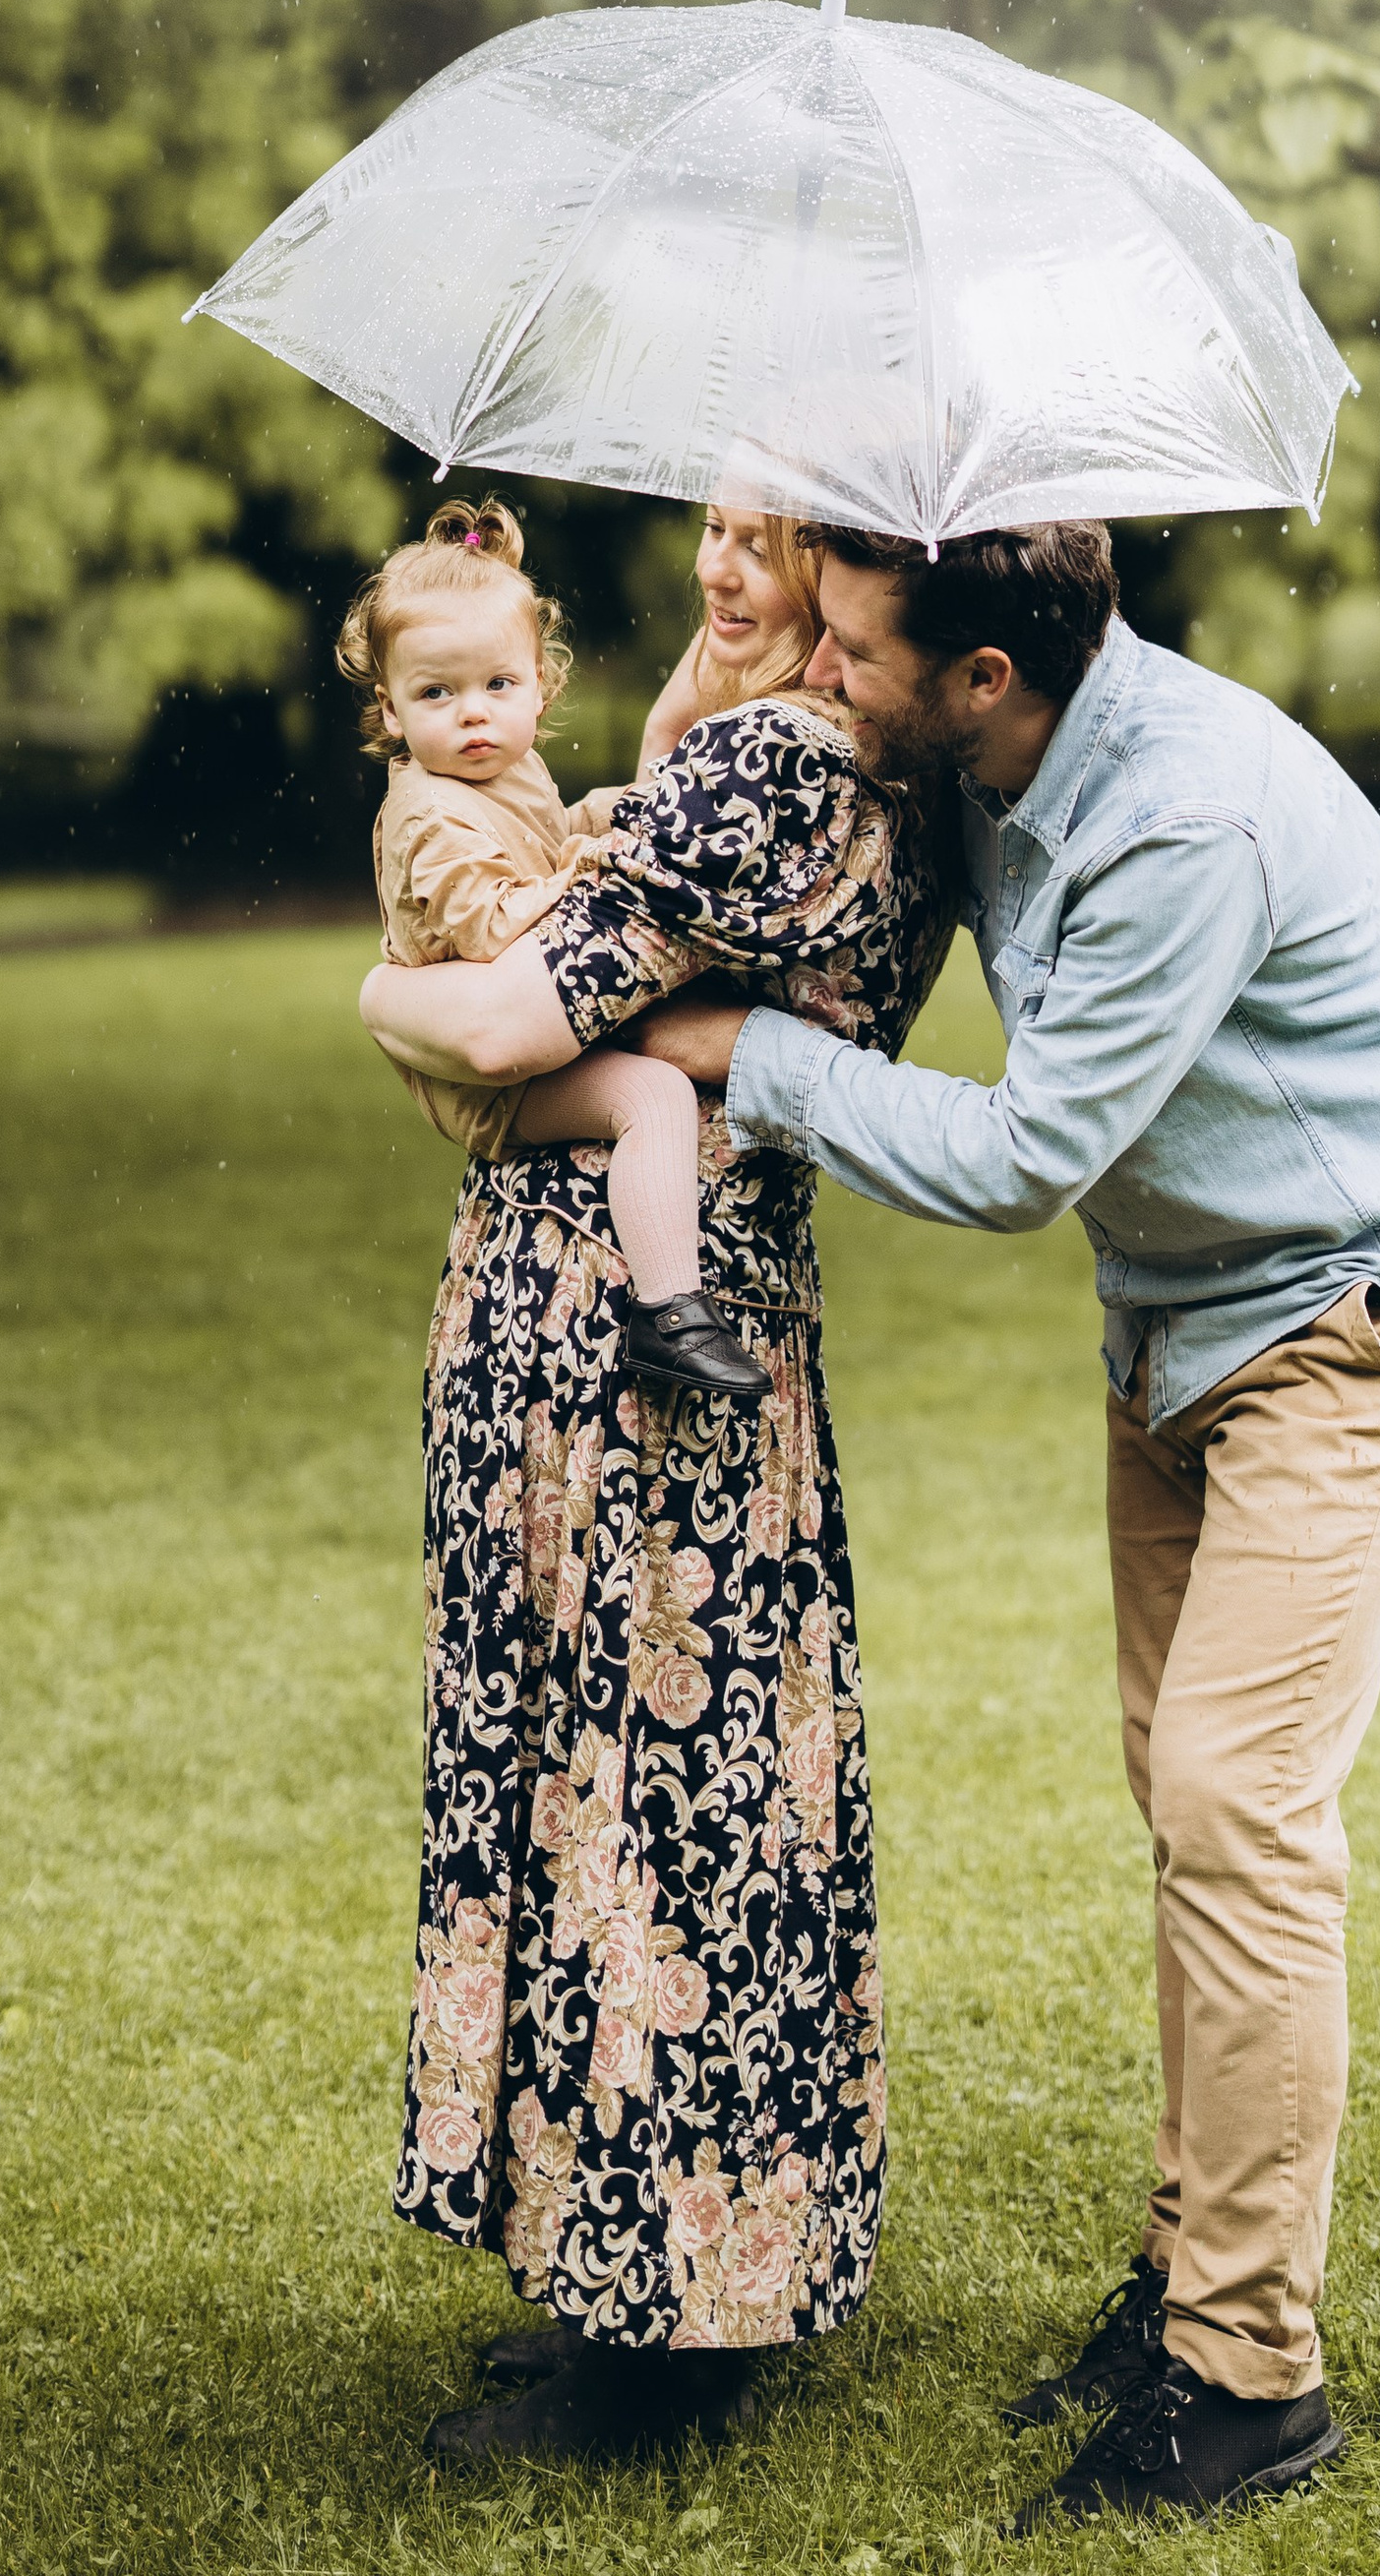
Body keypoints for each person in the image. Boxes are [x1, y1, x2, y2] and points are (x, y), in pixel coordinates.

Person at [624, 519, 1380, 2534]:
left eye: (855, 648)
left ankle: (1243, 2374)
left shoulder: (1180, 818)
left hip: (1354, 1317)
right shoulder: (976, 753)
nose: (826, 673)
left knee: (1235, 1799)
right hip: (1181, 1325)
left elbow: (1032, 1151)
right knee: (1180, 1793)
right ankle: (1180, 2274)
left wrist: (746, 1059)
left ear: (979, 676)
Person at [356, 506, 955, 2466]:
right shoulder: (858, 759)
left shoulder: (775, 771)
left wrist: (384, 1006)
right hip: (701, 1293)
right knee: (688, 1778)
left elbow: (517, 1009)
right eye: (709, 517)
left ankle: (650, 2311)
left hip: (609, 1324)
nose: (718, 563)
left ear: (855, 574)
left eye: (766, 538)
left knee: (629, 1780)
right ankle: (645, 2271)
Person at [338, 496, 759, 1402]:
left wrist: (592, 819)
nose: (474, 716)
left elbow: (534, 847)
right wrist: (580, 868)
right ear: (391, 707)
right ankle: (669, 1310)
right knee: (652, 1093)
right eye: (436, 694)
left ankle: (669, 1296)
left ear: (541, 685)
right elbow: (492, 925)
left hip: (519, 1029)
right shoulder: (430, 812)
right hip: (487, 1078)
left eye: (499, 686)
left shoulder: (499, 768)